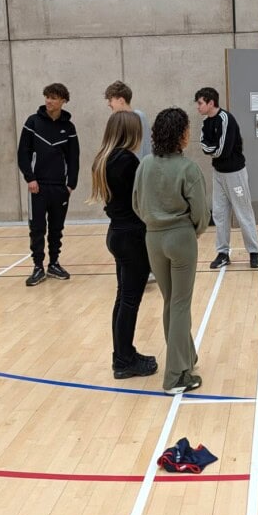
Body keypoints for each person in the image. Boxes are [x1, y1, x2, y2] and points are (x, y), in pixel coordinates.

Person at [132, 107, 209, 395]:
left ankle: (186, 357)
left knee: (170, 302)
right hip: (180, 239)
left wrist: (154, 223)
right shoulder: (189, 169)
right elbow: (201, 212)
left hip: (153, 239)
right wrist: (192, 231)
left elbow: (137, 204)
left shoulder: (145, 166)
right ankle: (176, 376)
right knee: (179, 305)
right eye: (188, 129)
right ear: (181, 134)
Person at [89, 111, 158, 379]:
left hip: (117, 232)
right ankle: (123, 360)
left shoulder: (105, 158)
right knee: (129, 301)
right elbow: (141, 199)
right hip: (130, 236)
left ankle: (123, 353)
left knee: (123, 299)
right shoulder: (126, 160)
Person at [18, 83, 80, 286]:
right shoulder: (32, 122)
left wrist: (70, 184)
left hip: (60, 187)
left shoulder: (69, 128)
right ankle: (38, 266)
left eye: (53, 98)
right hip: (38, 186)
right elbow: (22, 153)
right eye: (47, 97)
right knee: (37, 228)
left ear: (63, 100)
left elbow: (74, 158)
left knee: (56, 228)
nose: (48, 101)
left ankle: (54, 263)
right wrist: (30, 178)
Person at [194, 87, 258, 269]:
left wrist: (212, 149)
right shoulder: (205, 123)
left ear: (210, 102)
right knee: (219, 213)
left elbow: (222, 150)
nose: (198, 107)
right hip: (218, 174)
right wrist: (213, 150)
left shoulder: (226, 119)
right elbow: (203, 146)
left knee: (243, 212)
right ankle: (223, 253)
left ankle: (254, 253)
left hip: (235, 174)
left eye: (200, 103)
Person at [104, 80, 150, 159]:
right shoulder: (122, 120)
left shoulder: (138, 117)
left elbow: (139, 150)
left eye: (110, 100)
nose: (108, 104)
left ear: (121, 100)